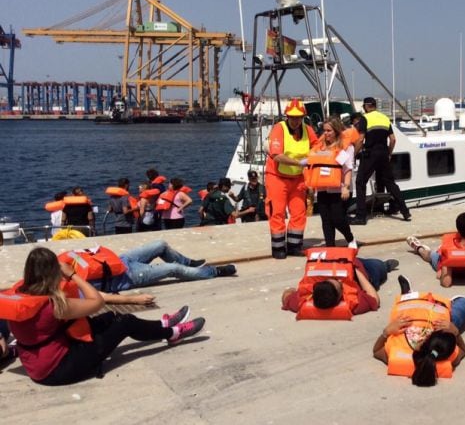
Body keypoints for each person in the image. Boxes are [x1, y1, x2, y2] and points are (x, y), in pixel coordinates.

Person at [2, 247, 205, 385]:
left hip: (38, 363)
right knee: (124, 323)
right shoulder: (54, 306)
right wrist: (72, 275)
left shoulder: (21, 292)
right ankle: (172, 333)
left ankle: (161, 324)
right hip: (57, 370)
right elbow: (96, 301)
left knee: (108, 318)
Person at [372, 275, 465, 386]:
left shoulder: (398, 355)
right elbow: (463, 349)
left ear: (423, 342)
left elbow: (376, 351)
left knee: (406, 310)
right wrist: (455, 331)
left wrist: (387, 331)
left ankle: (407, 295)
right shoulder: (449, 357)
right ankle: (447, 304)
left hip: (412, 313)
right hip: (437, 315)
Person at [60, 240, 237, 292]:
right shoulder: (69, 288)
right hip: (129, 276)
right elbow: (99, 299)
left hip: (122, 260)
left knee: (161, 244)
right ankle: (214, 271)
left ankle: (188, 262)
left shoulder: (61, 262)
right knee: (173, 269)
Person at [264, 98, 318, 258]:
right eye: (292, 117)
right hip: (277, 177)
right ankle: (278, 248)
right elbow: (276, 155)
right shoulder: (278, 129)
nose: (295, 120)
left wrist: (313, 158)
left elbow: (316, 146)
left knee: (299, 212)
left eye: (298, 117)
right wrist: (298, 162)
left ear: (303, 117)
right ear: (287, 116)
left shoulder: (308, 130)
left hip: (298, 178)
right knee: (277, 212)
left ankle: (295, 246)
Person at [281, 248, 399, 316]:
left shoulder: (304, 300)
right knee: (378, 265)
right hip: (365, 271)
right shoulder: (353, 303)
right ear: (340, 297)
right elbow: (375, 300)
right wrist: (356, 270)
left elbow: (286, 295)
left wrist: (299, 288)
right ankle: (386, 266)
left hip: (342, 260)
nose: (337, 279)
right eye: (339, 284)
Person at [351, 97, 411, 225]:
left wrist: (353, 154)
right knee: (390, 183)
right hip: (384, 153)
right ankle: (405, 212)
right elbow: (393, 139)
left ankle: (361, 217)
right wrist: (389, 153)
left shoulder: (364, 118)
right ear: (375, 105)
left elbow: (361, 139)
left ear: (366, 106)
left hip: (370, 153)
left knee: (360, 182)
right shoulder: (384, 118)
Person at [305, 116, 358, 248]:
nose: (326, 133)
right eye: (324, 130)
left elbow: (347, 169)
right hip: (322, 188)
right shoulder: (320, 147)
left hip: (338, 189)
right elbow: (311, 164)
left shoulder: (345, 148)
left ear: (336, 131)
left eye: (329, 131)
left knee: (338, 219)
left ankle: (350, 239)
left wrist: (346, 187)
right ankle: (330, 246)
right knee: (326, 221)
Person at [407, 212, 465, 288]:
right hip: (442, 259)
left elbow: (446, 283)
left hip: (455, 265)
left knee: (435, 261)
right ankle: (419, 247)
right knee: (430, 256)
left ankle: (422, 249)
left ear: (458, 231)